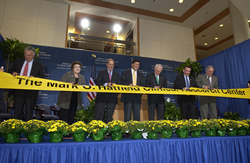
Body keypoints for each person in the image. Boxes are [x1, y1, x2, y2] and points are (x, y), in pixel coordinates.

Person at [8, 47, 45, 121]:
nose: (27, 57)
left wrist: (34, 78)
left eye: (29, 55)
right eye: (25, 55)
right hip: (18, 91)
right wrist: (13, 73)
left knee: (29, 114)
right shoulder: (18, 61)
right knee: (17, 113)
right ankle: (16, 130)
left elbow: (42, 77)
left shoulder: (39, 65)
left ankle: (28, 131)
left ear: (33, 55)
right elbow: (10, 71)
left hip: (31, 92)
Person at [94, 58, 120, 123]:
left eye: (112, 64)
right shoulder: (101, 72)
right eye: (110, 64)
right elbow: (98, 82)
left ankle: (108, 131)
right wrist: (106, 84)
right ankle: (97, 130)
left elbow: (119, 86)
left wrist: (115, 85)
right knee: (99, 115)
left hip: (112, 98)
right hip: (102, 97)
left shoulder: (117, 75)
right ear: (106, 64)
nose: (111, 66)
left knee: (109, 116)